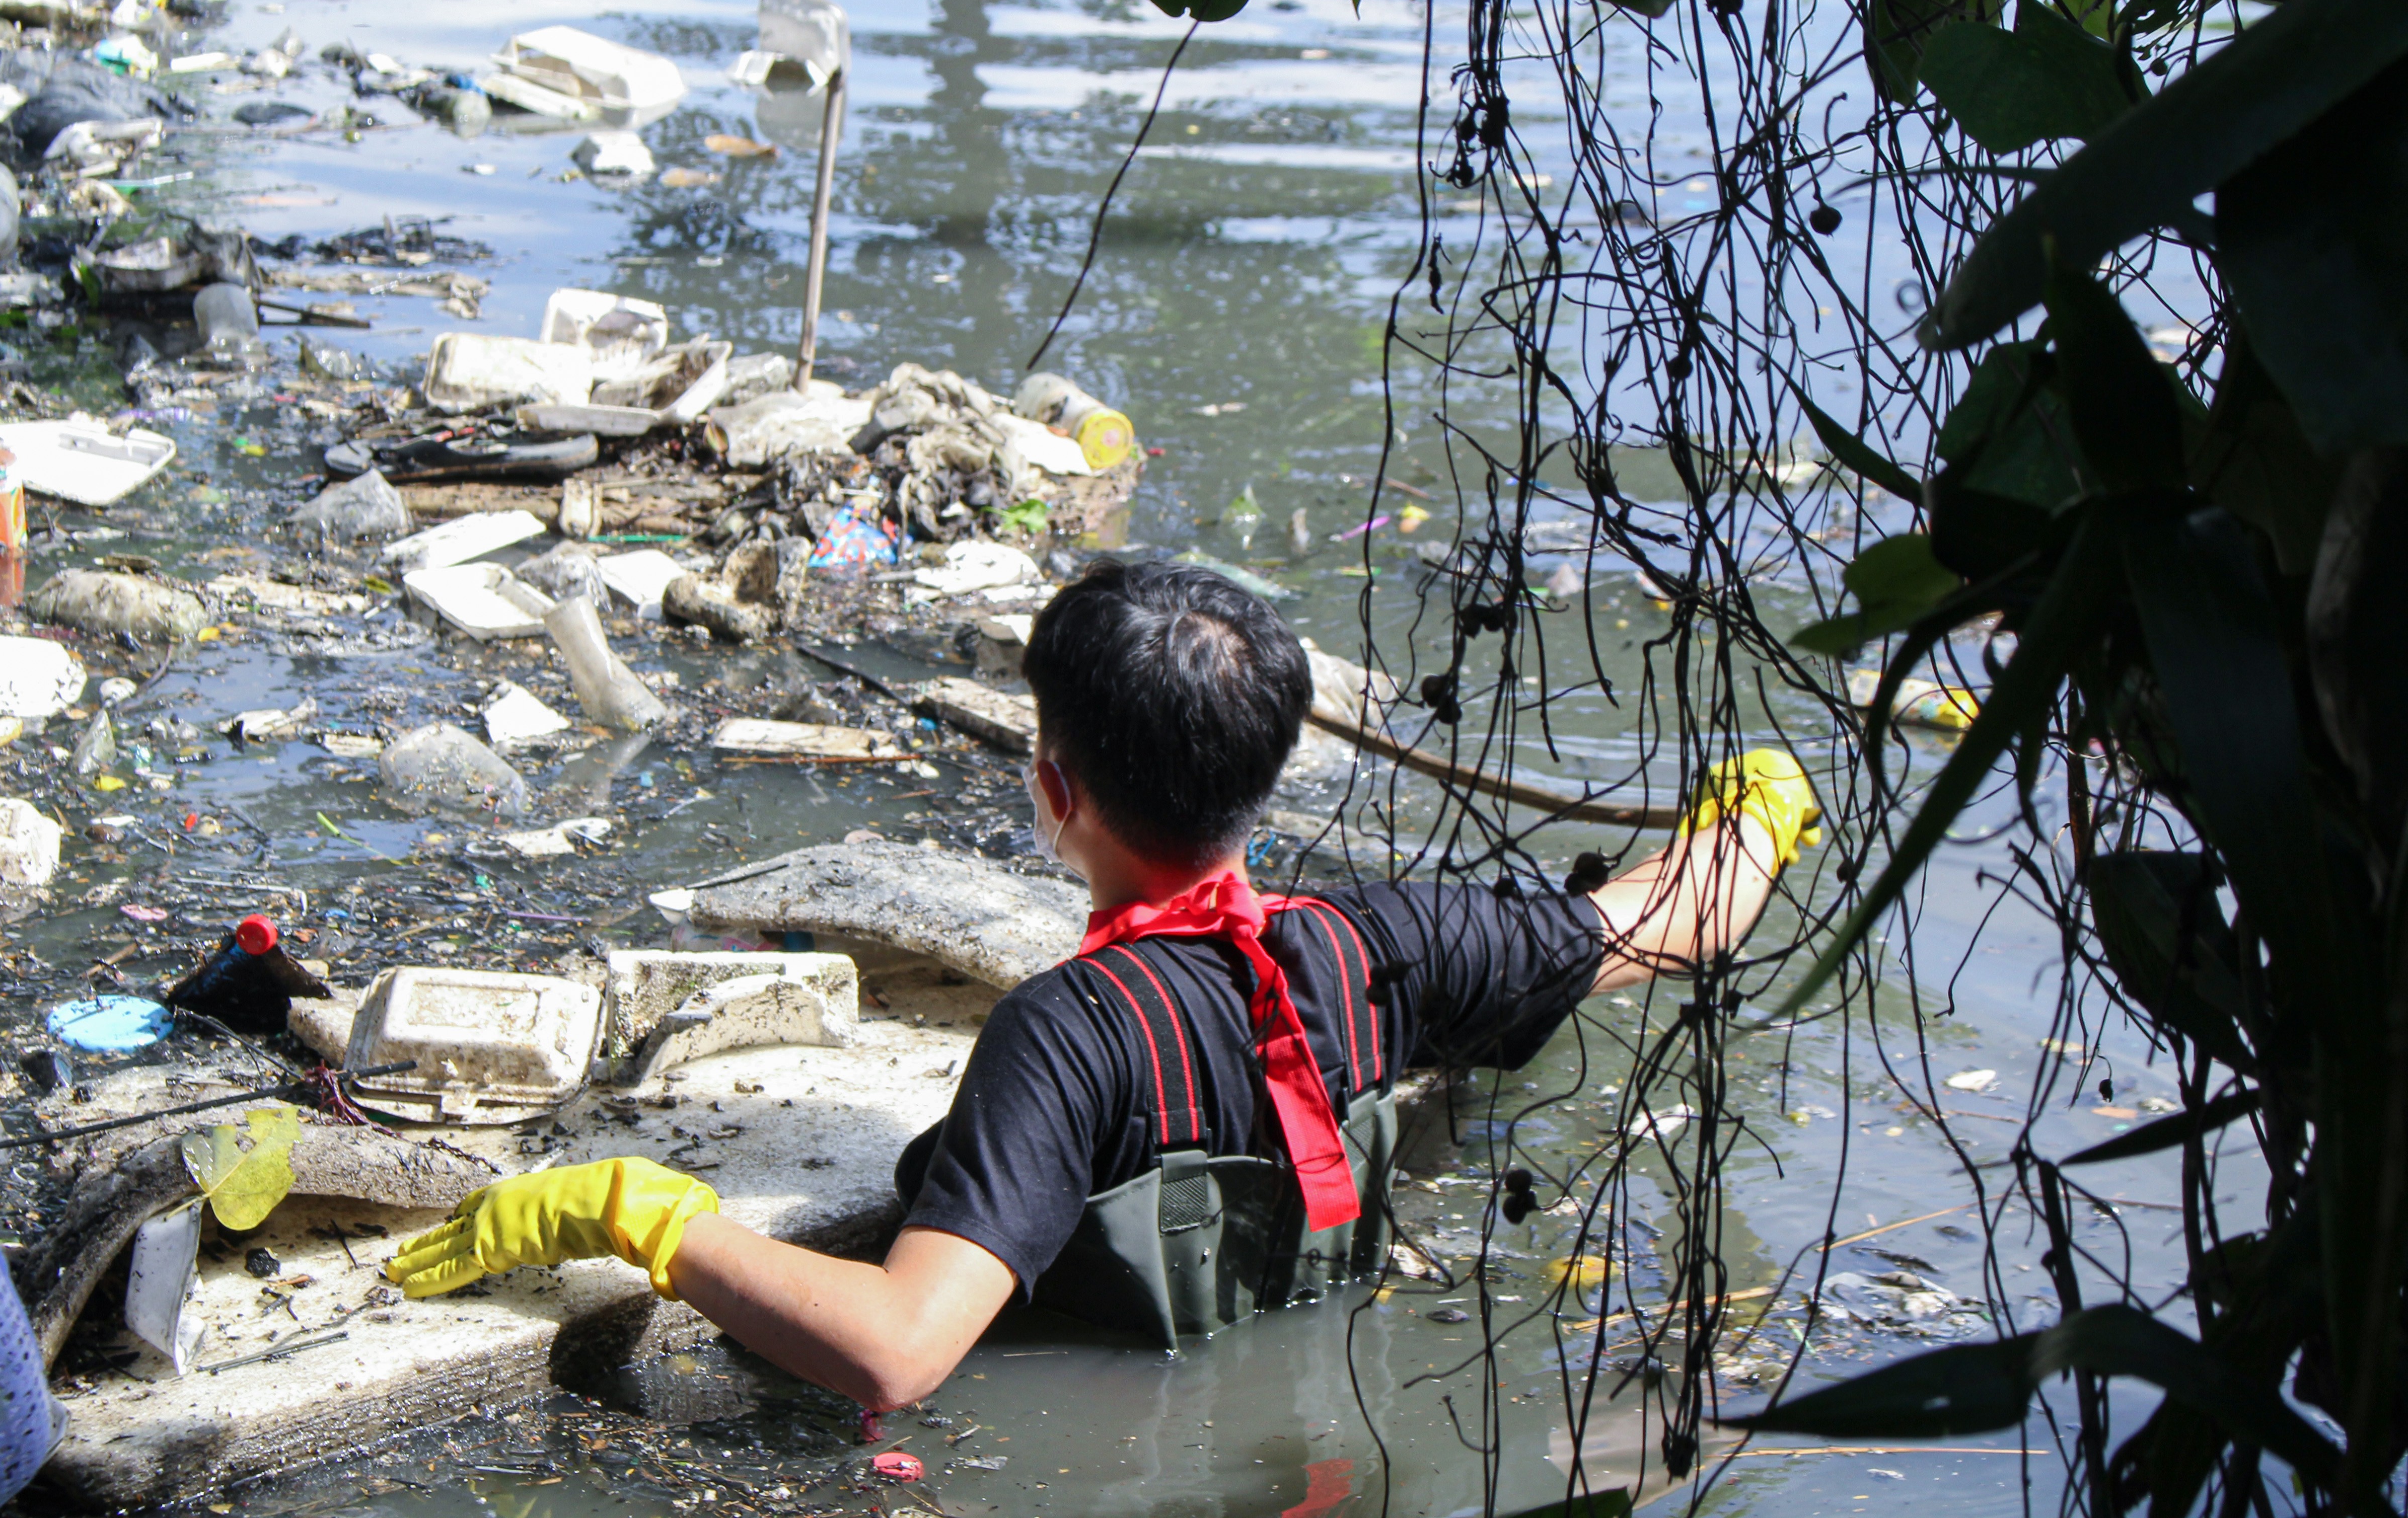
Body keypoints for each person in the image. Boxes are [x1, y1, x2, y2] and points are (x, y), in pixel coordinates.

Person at [385, 559, 1820, 1412]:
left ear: (1052, 789)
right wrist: (1758, 809)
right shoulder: (1377, 940)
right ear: (1266, 772)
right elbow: (1678, 921)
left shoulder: (1063, 1042)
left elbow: (897, 1355)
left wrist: (643, 1216)